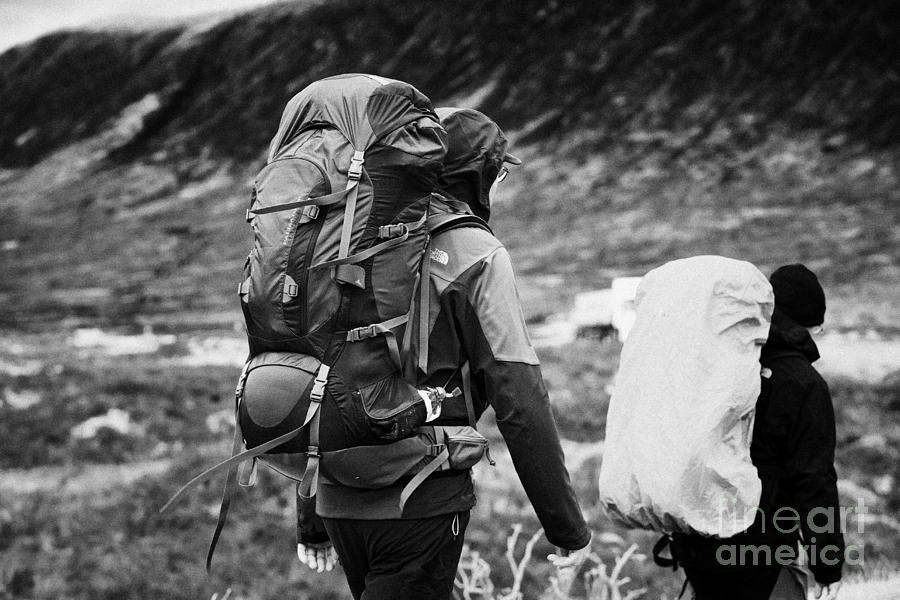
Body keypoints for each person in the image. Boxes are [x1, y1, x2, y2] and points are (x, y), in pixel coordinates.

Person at [298, 107, 592, 598]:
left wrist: (311, 517)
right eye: (497, 174)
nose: (497, 188)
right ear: (478, 175)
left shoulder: (351, 241)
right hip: (421, 497)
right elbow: (519, 394)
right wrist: (566, 529)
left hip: (338, 496)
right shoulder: (475, 252)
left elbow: (324, 374)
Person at [672, 263, 844, 600]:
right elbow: (813, 481)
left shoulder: (722, 363)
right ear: (807, 326)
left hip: (700, 547)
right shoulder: (803, 383)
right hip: (764, 554)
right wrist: (827, 563)